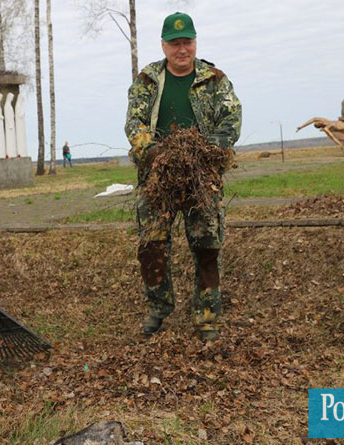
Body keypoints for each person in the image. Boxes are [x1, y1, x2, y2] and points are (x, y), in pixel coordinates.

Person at [124, 12, 241, 341]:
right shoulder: (148, 80)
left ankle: (206, 316)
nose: (181, 49)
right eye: (174, 43)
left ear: (195, 43)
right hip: (156, 177)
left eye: (187, 42)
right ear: (163, 46)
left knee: (206, 246)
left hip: (201, 177)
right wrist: (156, 155)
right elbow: (135, 123)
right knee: (152, 245)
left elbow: (231, 118)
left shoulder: (214, 79)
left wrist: (208, 155)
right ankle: (158, 308)